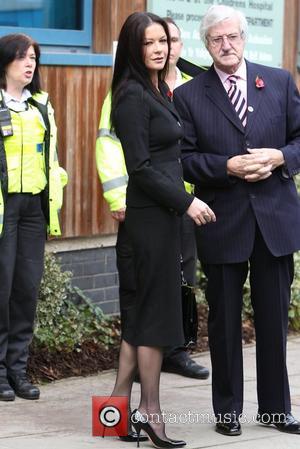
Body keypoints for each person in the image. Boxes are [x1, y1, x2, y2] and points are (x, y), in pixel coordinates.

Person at [173, 4, 300, 436]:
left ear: (245, 37)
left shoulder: (279, 81)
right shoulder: (189, 95)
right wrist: (226, 167)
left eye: (233, 37)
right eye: (216, 39)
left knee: (272, 321)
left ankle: (275, 409)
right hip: (223, 221)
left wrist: (281, 156)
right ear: (205, 45)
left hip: (274, 222)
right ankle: (227, 412)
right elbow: (185, 160)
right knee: (224, 325)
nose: (226, 45)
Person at [107, 11, 216, 447]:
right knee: (153, 320)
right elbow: (141, 168)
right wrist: (188, 201)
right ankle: (149, 414)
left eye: (163, 42)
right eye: (149, 42)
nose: (159, 48)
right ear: (134, 47)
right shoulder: (131, 95)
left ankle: (113, 412)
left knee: (142, 320)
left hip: (162, 217)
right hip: (150, 219)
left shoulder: (156, 89)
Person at [0, 33, 67, 402]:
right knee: (1, 290)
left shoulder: (41, 105)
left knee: (25, 290)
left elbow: (51, 160)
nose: (29, 64)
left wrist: (51, 203)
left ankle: (18, 370)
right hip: (2, 210)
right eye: (22, 57)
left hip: (32, 210)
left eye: (34, 58)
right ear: (5, 61)